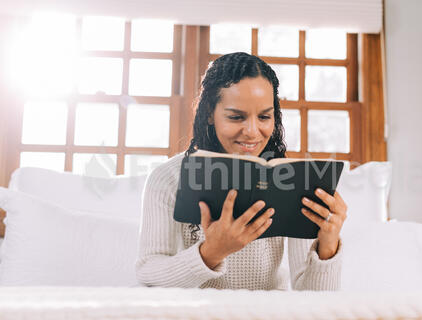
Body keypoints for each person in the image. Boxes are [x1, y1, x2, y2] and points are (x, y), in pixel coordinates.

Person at [135, 52, 348, 290]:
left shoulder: (291, 178)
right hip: (197, 318)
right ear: (208, 115)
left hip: (266, 318)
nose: (252, 132)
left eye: (265, 117)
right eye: (236, 117)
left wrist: (328, 246)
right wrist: (211, 253)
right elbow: (148, 274)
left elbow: (313, 302)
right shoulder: (168, 179)